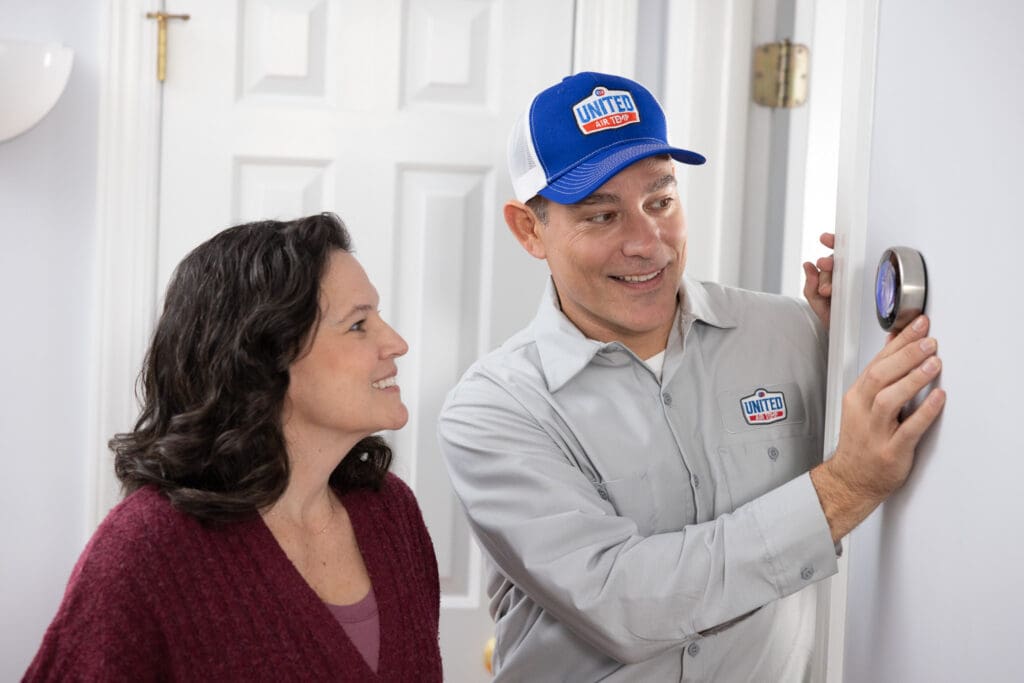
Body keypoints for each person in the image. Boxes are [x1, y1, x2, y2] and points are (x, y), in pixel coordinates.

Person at [438, 72, 946, 681]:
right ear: (529, 229)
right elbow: (621, 602)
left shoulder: (791, 333)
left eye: (660, 202)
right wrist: (843, 489)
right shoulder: (494, 410)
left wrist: (854, 337)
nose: (646, 242)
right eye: (603, 215)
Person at [25, 213, 442, 681]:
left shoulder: (391, 513)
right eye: (359, 324)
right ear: (262, 356)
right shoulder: (144, 552)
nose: (397, 343)